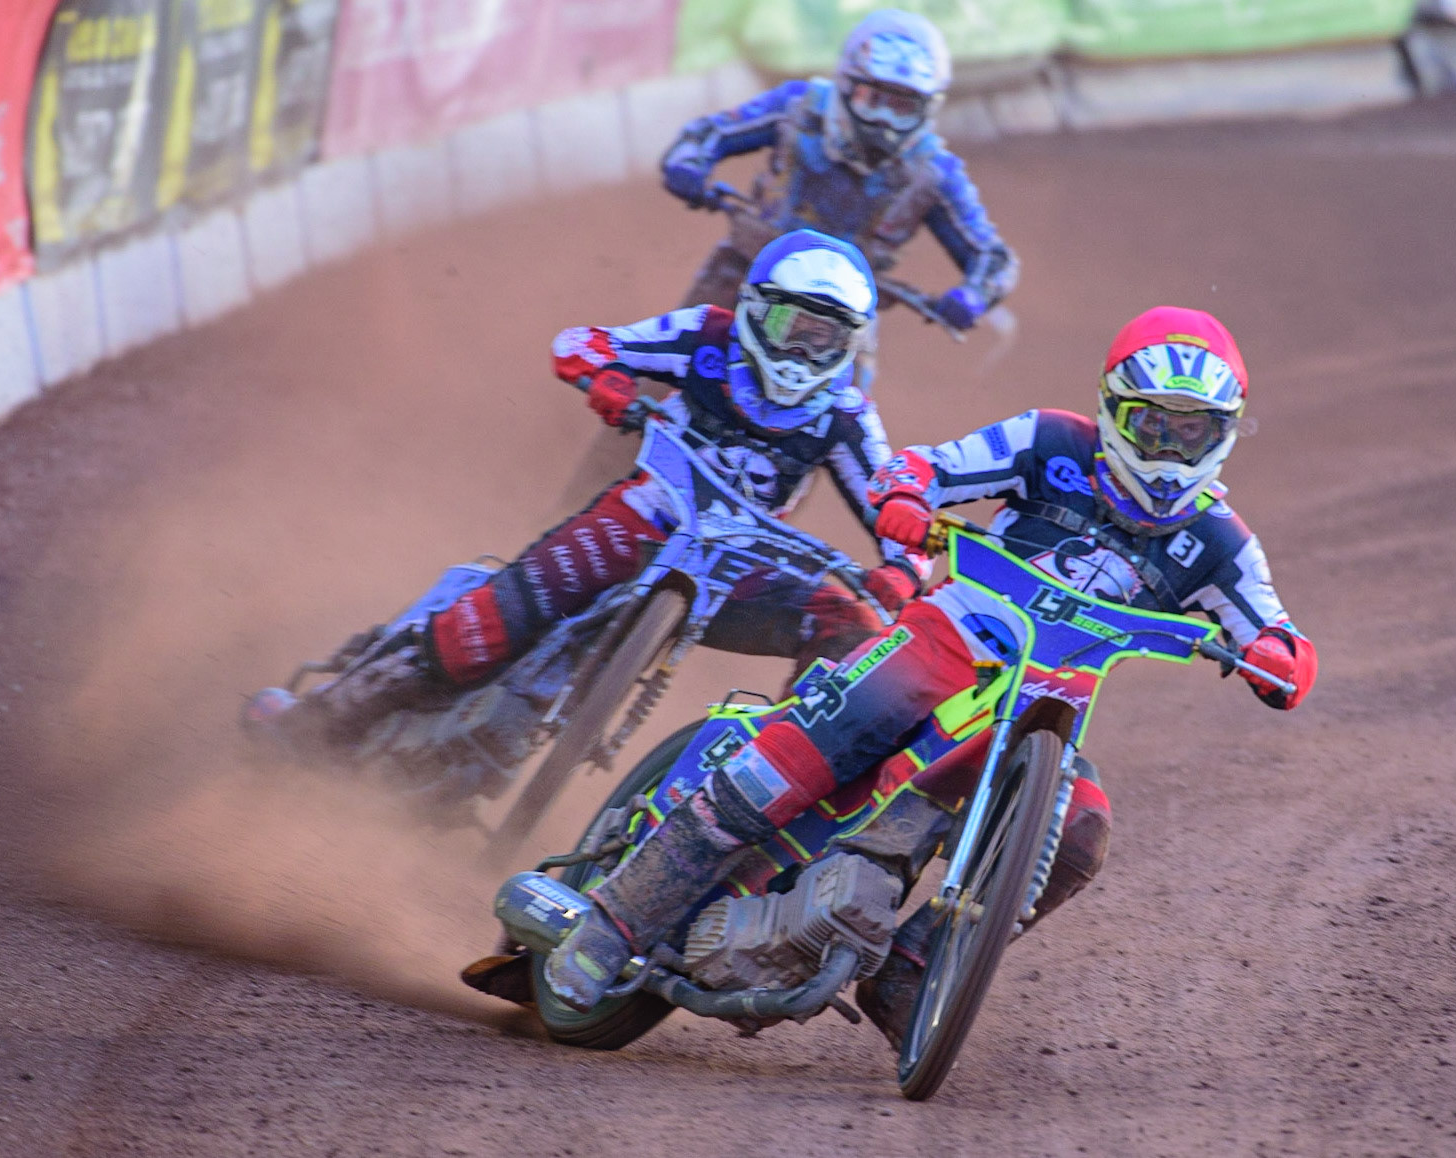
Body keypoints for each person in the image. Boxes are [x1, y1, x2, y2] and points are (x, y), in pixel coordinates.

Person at [540, 307, 1319, 1046]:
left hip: (1048, 704)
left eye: (1192, 431)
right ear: (1115, 409)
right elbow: (925, 466)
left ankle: (911, 973)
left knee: (1080, 831)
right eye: (1154, 425)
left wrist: (1280, 659)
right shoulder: (1050, 440)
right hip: (950, 638)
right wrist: (907, 494)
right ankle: (614, 922)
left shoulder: (1221, 541)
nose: (1170, 449)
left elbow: (1279, 633)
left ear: (1223, 433)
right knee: (832, 729)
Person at [245, 229, 923, 772]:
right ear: (753, 308)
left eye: (823, 336)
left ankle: (775, 781)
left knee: (851, 622)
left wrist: (900, 572)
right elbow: (584, 343)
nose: (801, 349)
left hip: (741, 565)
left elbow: (904, 515)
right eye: (790, 323)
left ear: (850, 343)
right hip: (644, 518)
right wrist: (606, 381)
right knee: (482, 630)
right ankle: (320, 721)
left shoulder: (847, 417)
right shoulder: (704, 336)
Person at [661, 9, 1017, 342]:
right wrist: (688, 165)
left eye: (902, 107)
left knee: (849, 393)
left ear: (927, 109)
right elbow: (708, 133)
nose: (884, 121)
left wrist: (972, 297)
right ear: (846, 85)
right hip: (746, 275)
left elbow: (993, 258)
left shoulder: (934, 172)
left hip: (840, 315)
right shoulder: (799, 107)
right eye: (873, 99)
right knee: (672, 362)